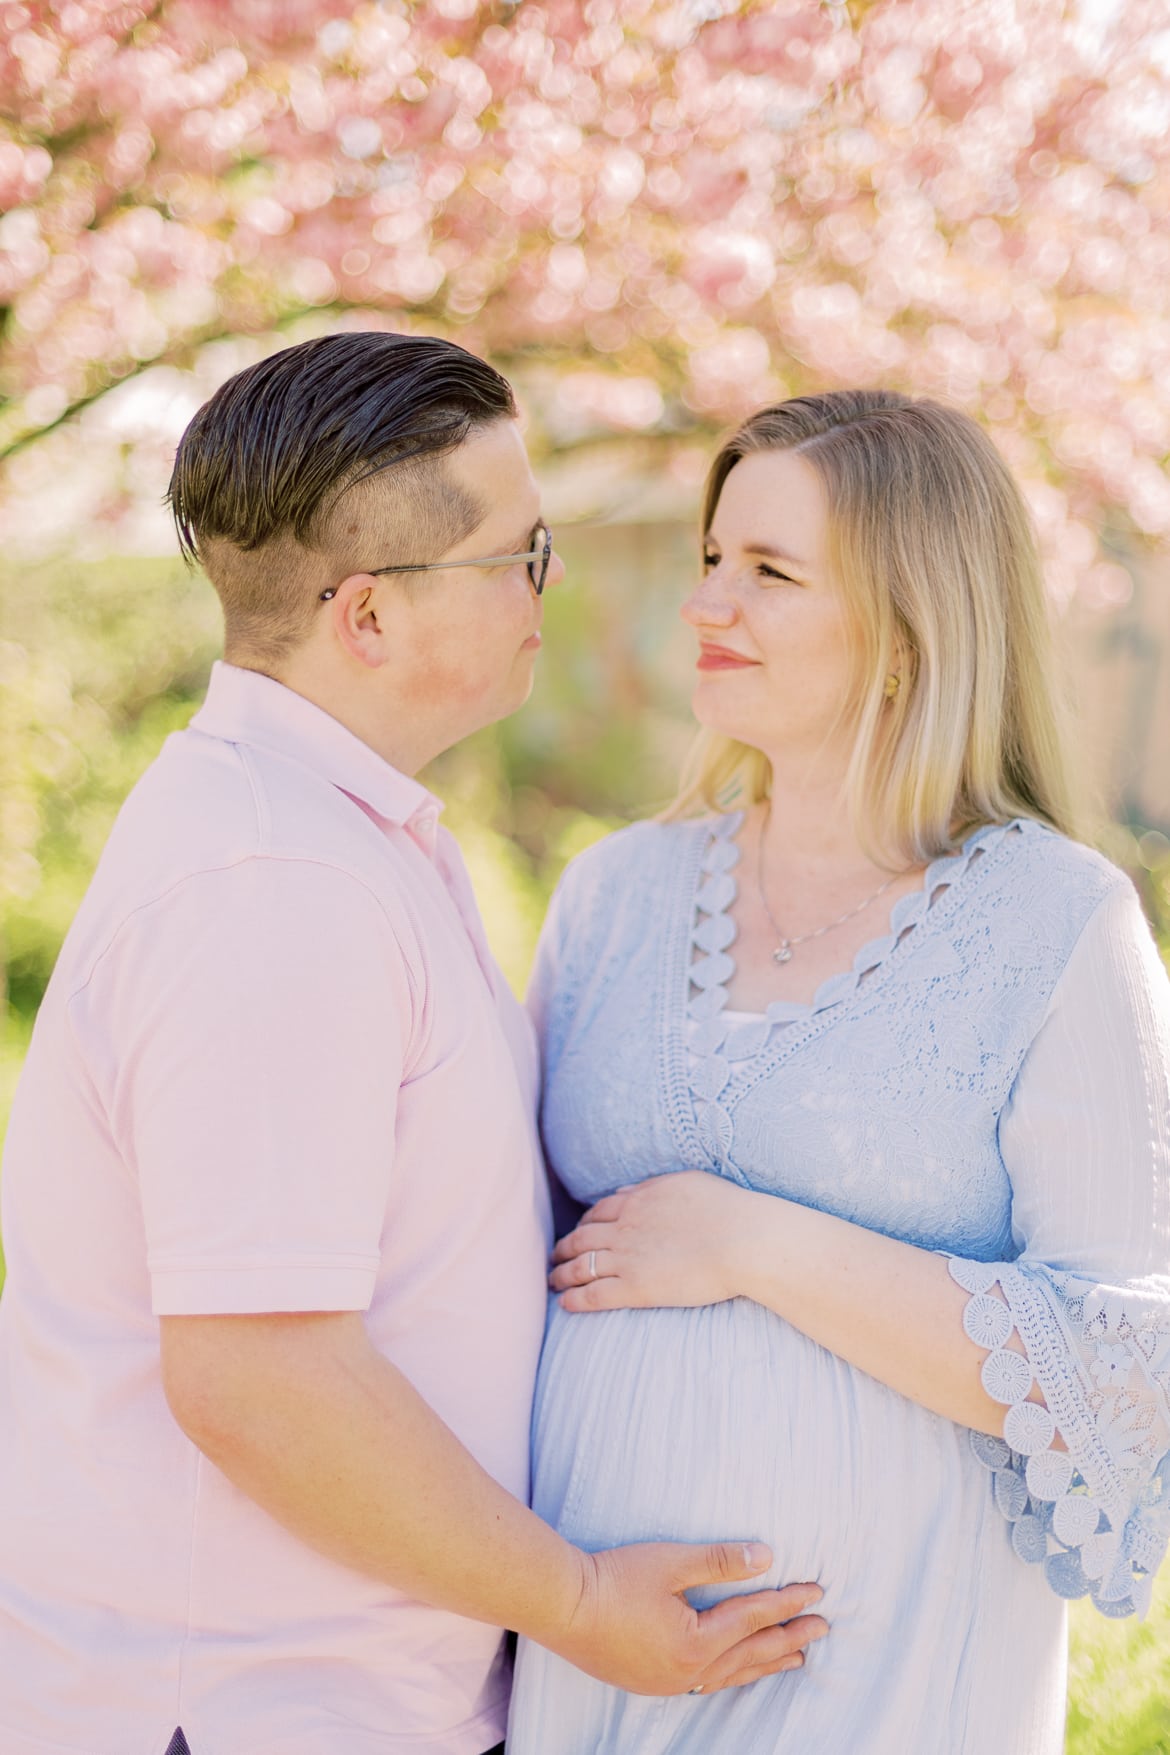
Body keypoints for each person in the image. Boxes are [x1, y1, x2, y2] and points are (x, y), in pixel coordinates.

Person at [0, 333, 828, 1755]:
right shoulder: (274, 888)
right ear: (369, 618)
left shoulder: (332, 832)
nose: (548, 583)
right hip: (250, 1713)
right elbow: (259, 1379)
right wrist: (574, 1602)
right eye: (520, 552)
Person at [507, 389, 1170, 1755]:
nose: (704, 604)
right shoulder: (610, 896)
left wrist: (754, 1244)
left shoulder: (1056, 921)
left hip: (891, 1676)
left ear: (908, 627)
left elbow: (1125, 1368)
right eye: (708, 559)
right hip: (595, 1665)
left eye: (768, 572)